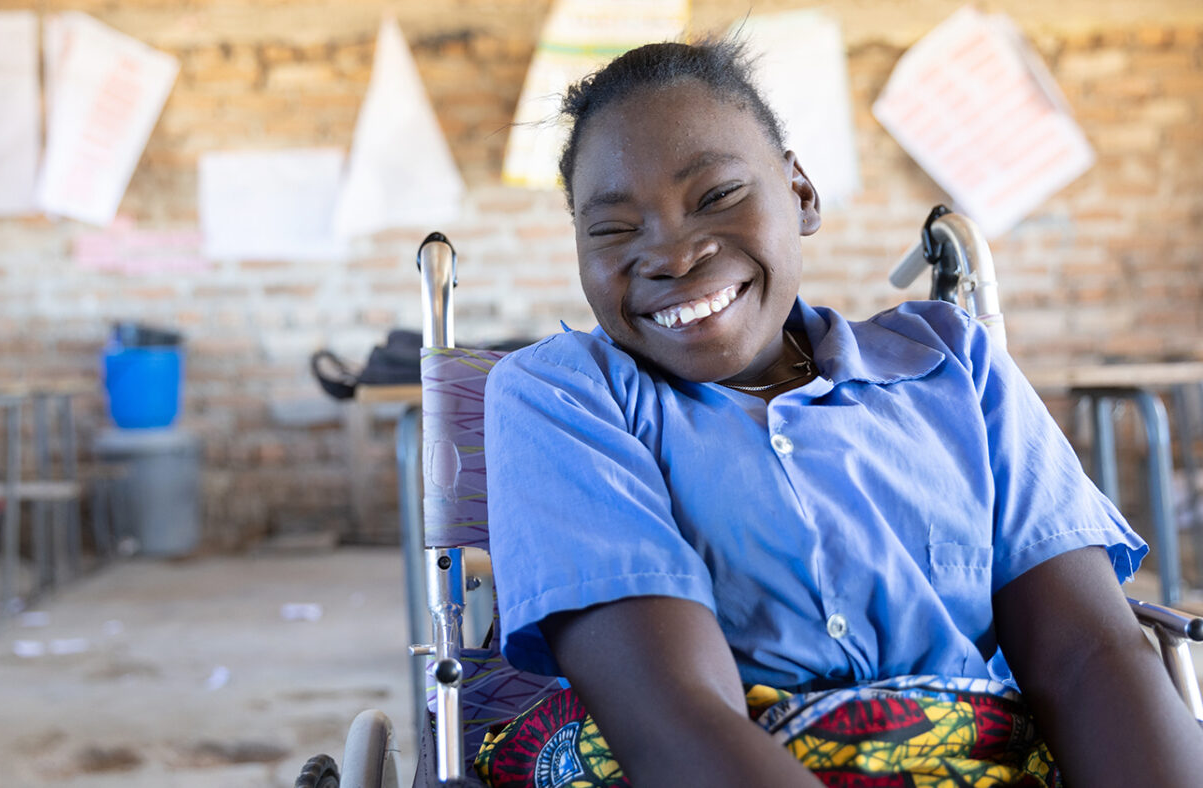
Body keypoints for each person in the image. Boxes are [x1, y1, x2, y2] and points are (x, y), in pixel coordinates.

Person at [482, 38, 1203, 787]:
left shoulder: (954, 366)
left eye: (718, 195)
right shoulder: (561, 397)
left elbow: (1090, 657)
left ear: (800, 194)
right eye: (613, 227)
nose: (671, 252)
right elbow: (675, 719)